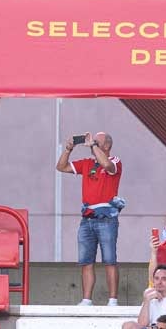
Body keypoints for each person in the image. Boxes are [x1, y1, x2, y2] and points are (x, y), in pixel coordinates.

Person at [56, 131, 121, 306]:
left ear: (107, 145)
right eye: (92, 142)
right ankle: (86, 299)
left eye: (97, 142)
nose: (92, 144)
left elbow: (107, 165)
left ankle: (113, 300)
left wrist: (92, 145)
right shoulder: (87, 164)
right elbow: (61, 167)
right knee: (86, 260)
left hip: (107, 217)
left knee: (109, 259)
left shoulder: (115, 161)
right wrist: (68, 149)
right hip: (87, 218)